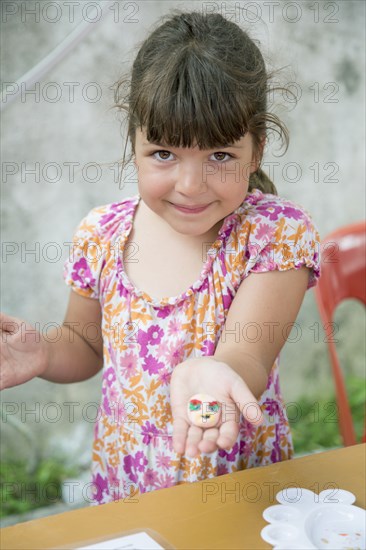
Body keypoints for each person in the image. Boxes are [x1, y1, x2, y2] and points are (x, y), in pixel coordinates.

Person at [0, 10, 320, 505]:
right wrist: (43, 351)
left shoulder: (274, 237)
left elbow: (246, 354)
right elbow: (85, 345)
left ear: (255, 151)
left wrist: (217, 375)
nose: (190, 186)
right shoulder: (101, 235)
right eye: (164, 154)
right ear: (134, 142)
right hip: (127, 489)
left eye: (220, 156)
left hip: (234, 490)